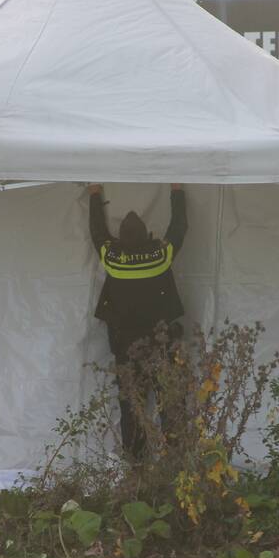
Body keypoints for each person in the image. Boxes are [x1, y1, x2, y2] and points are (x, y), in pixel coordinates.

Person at [88, 183, 187, 457]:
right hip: (161, 342)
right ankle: (174, 457)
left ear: (120, 238)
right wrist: (177, 191)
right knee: (169, 400)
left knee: (132, 403)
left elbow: (97, 232)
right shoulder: (160, 255)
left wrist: (94, 195)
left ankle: (136, 464)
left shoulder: (112, 257)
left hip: (124, 345)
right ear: (147, 237)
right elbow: (179, 228)